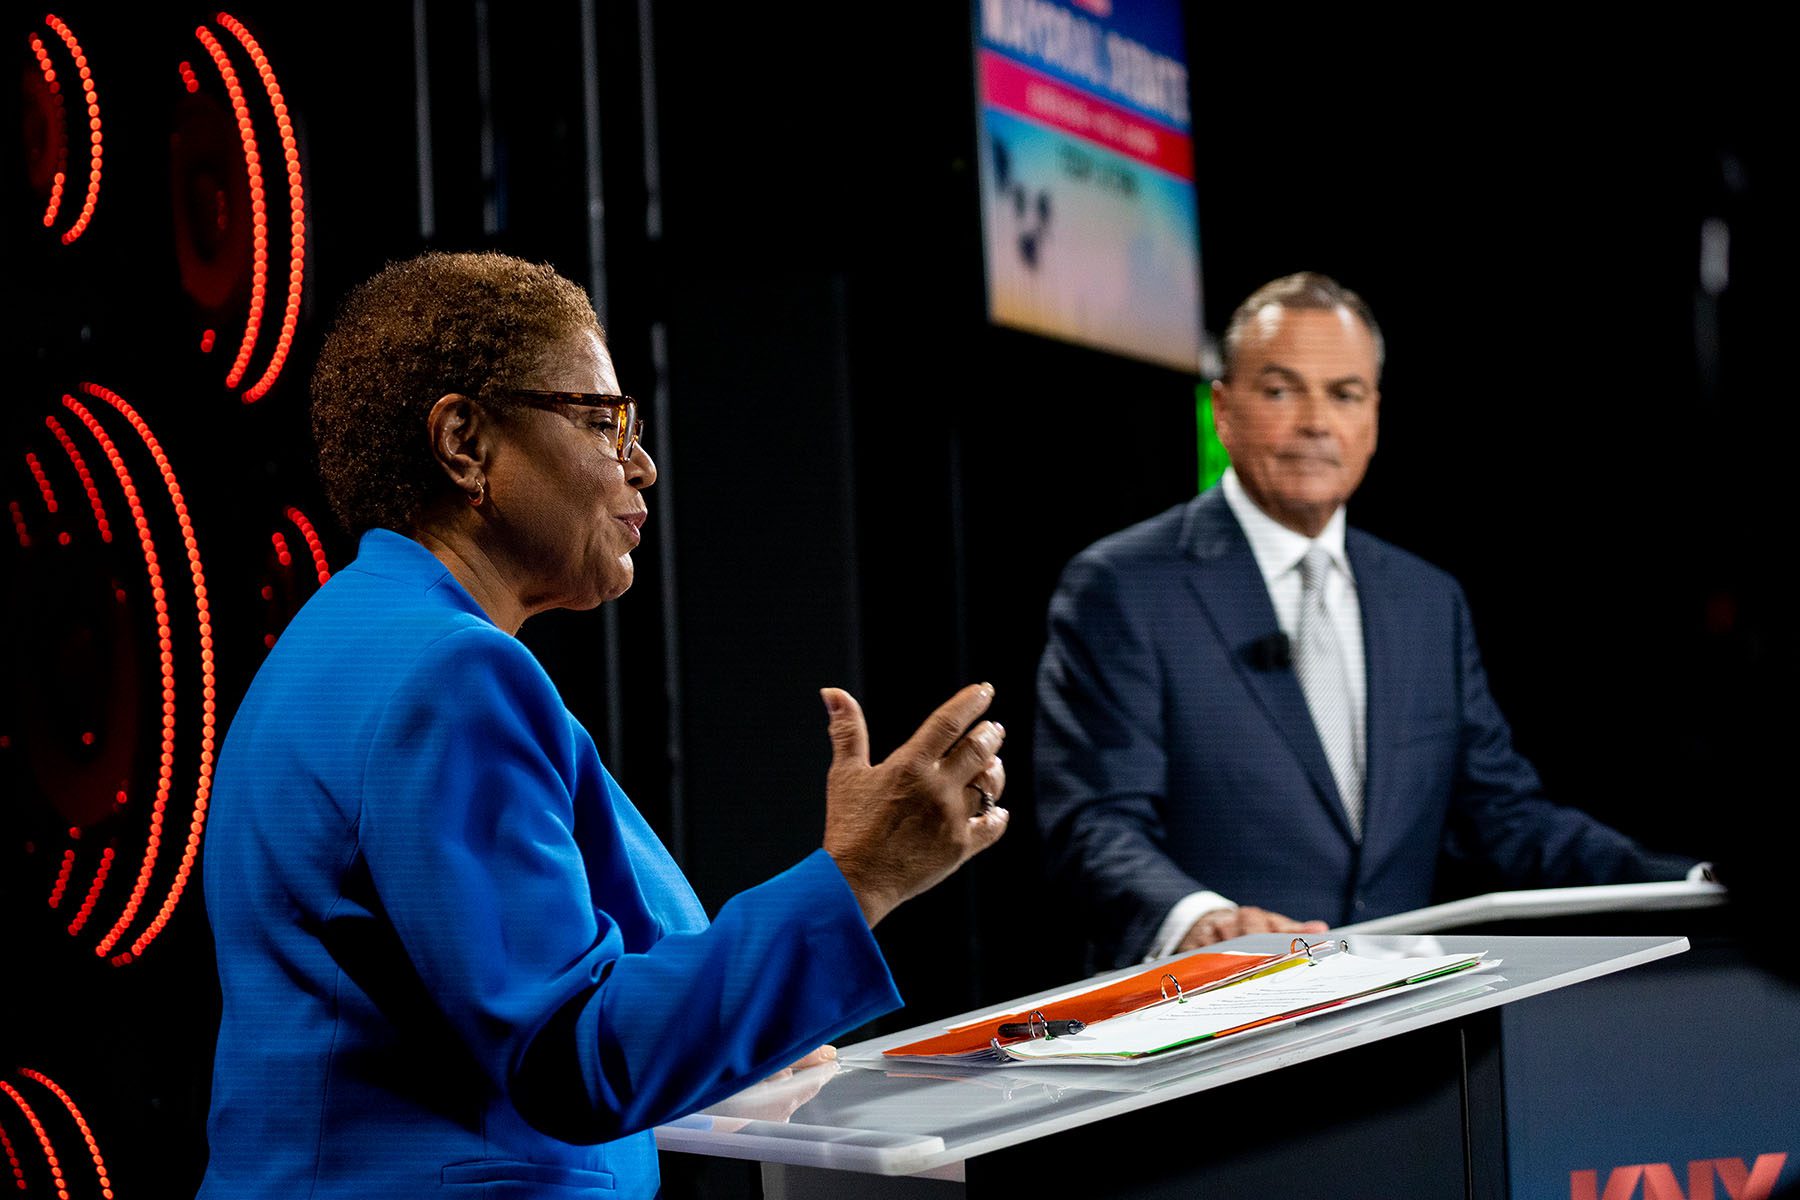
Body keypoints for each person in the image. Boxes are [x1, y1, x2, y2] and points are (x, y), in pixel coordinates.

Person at [198, 252, 1010, 1199]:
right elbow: (568, 1057)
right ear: (465, 444)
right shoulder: (450, 676)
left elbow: (474, 1033)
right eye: (603, 420)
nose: (643, 462)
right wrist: (862, 876)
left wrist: (717, 1069)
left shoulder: (350, 636)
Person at [1036, 272, 1695, 971]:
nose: (1317, 422)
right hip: (1215, 1022)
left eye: (1344, 394)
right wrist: (1203, 919)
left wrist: (1685, 883)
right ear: (1223, 409)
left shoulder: (1427, 601)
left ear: (1373, 416)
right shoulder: (1123, 587)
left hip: (1405, 1030)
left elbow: (1503, 816)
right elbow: (1096, 822)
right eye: (1282, 391)